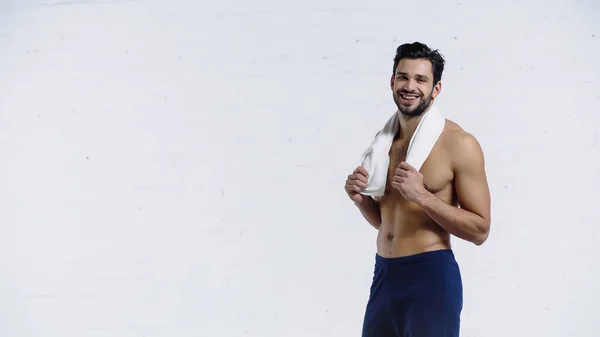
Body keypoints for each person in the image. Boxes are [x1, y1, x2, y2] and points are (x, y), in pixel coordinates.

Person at [345, 42, 492, 337]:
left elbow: (480, 230)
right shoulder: (383, 143)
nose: (410, 86)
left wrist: (422, 196)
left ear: (436, 88)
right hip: (385, 275)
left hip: (430, 278)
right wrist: (362, 201)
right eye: (403, 77)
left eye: (421, 79)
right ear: (392, 81)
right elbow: (388, 223)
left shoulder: (459, 143)